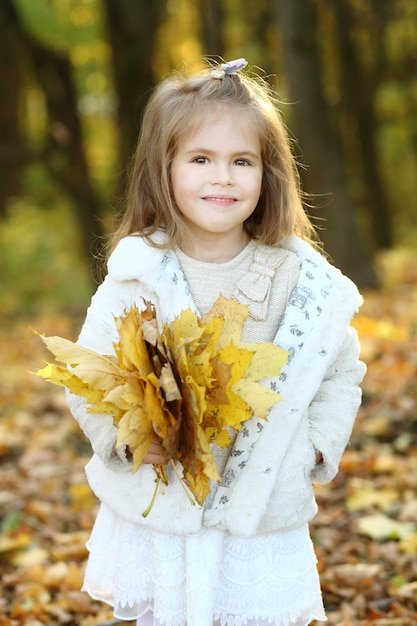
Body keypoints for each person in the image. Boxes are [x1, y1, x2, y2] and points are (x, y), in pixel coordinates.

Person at [66, 58, 366, 626]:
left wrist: (316, 448)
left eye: (242, 162)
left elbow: (340, 369)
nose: (222, 177)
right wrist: (126, 440)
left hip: (260, 510)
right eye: (201, 159)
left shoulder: (297, 282)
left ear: (267, 173)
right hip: (166, 506)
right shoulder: (137, 276)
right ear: (164, 168)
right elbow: (90, 376)